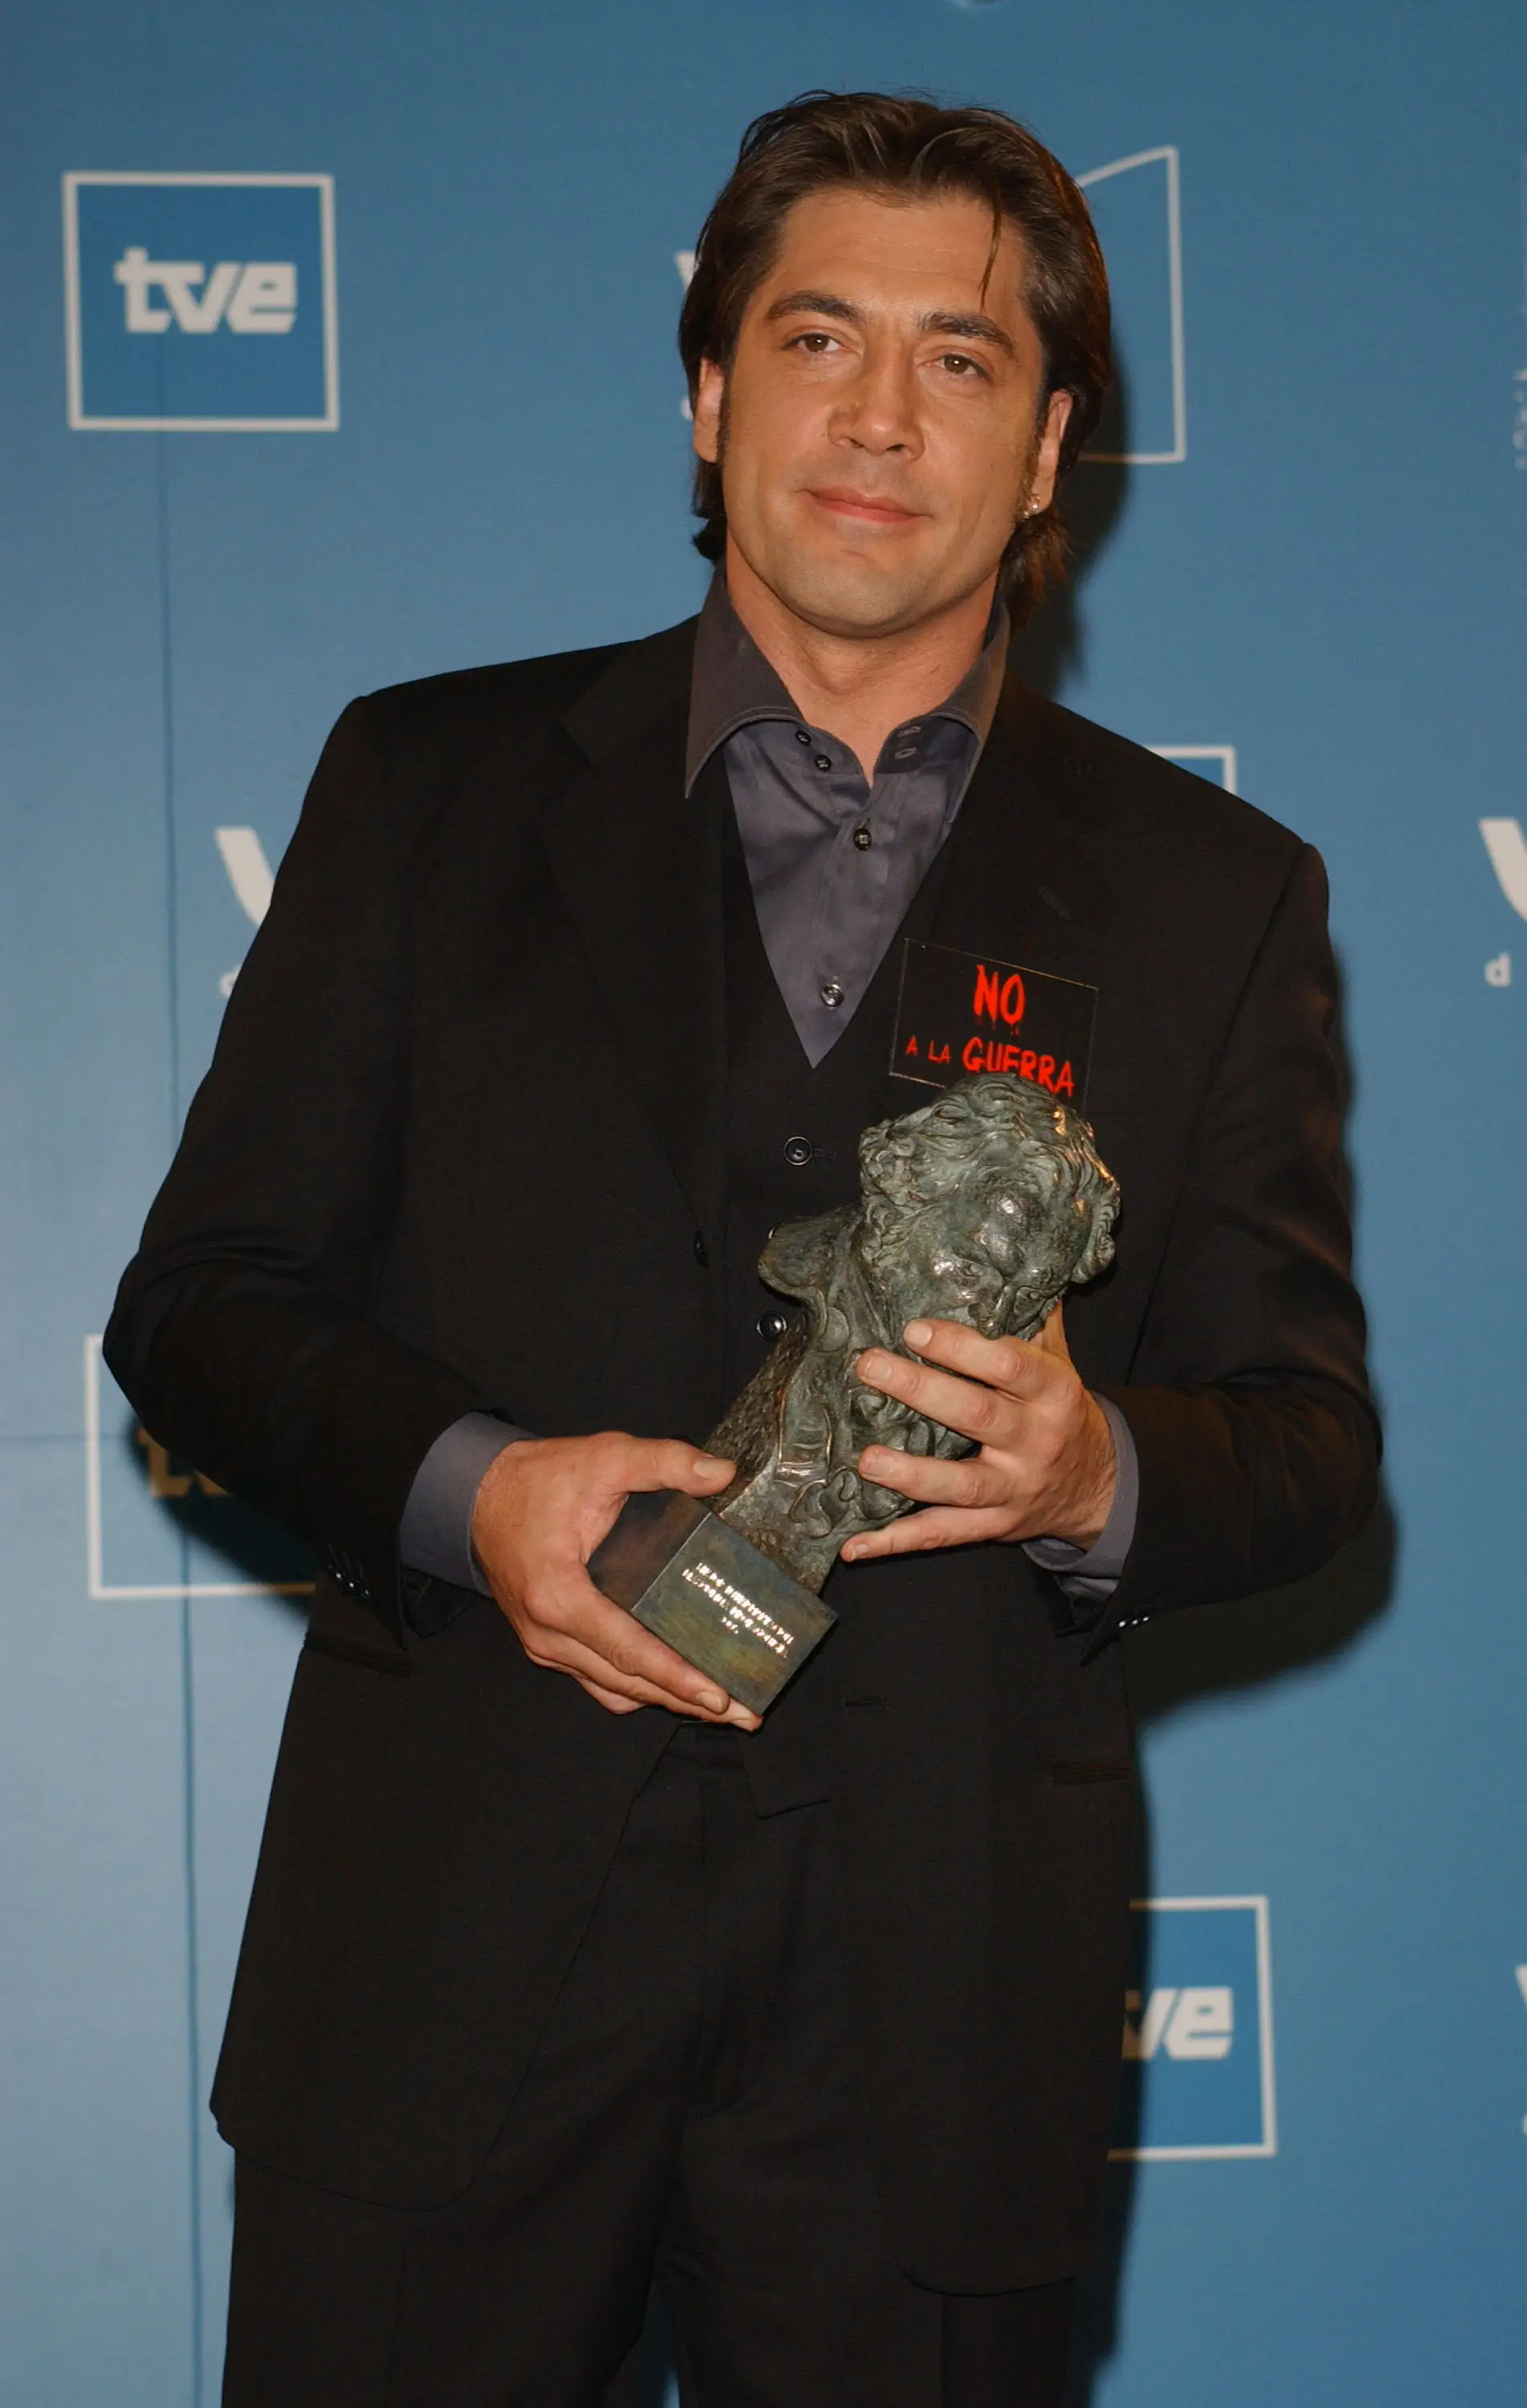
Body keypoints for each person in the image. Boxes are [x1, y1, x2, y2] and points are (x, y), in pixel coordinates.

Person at [104, 90, 1378, 2408]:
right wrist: (470, 1493)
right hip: (446, 1962)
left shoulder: (1220, 895)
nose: (879, 414)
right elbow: (202, 1309)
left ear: (1048, 444)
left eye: (961, 360)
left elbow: (1299, 1448)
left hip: (932, 2014)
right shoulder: (426, 786)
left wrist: (1092, 1471)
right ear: (711, 398)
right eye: (815, 340)